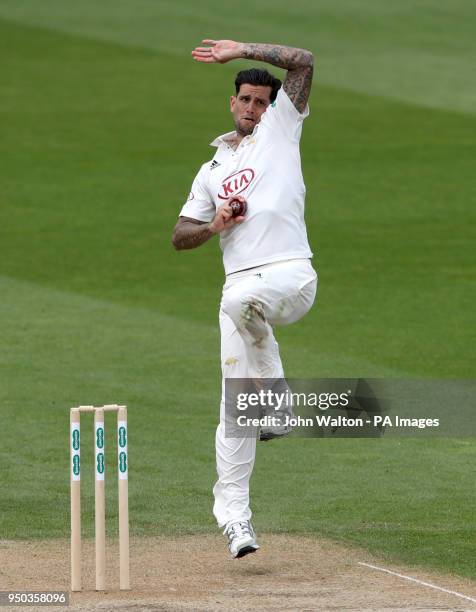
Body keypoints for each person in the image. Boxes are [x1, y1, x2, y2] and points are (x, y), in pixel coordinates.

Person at [172, 38, 317, 559]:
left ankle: (277, 401)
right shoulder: (211, 169)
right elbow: (179, 234)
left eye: (261, 101)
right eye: (246, 100)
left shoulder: (282, 127)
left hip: (289, 277)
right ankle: (235, 520)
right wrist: (213, 225)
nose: (253, 109)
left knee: (240, 303)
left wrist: (239, 50)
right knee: (235, 408)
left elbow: (304, 61)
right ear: (233, 102)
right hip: (239, 287)